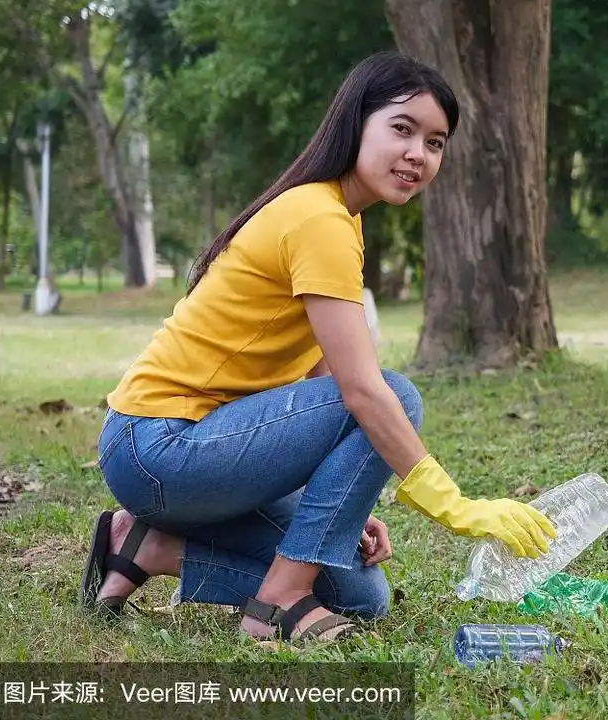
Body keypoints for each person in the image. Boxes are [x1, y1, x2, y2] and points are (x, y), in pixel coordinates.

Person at [80, 52, 557, 644]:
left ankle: (146, 546)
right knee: (395, 395)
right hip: (160, 445)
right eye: (402, 128)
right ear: (355, 122)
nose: (418, 154)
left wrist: (342, 506)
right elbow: (359, 392)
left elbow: (321, 377)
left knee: (360, 595)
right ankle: (278, 602)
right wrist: (457, 506)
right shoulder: (318, 219)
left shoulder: (339, 217)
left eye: (436, 143)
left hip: (186, 452)